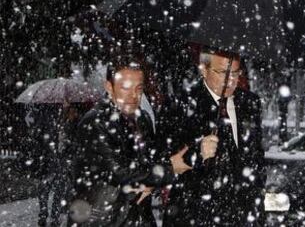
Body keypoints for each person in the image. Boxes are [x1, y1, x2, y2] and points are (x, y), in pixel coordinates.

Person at [68, 58, 186, 226]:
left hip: (137, 214)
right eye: (125, 88)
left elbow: (149, 159)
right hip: (102, 217)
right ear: (109, 87)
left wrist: (152, 179)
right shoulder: (95, 121)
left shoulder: (142, 118)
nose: (133, 96)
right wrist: (168, 169)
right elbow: (119, 170)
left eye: (138, 89)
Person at [161, 49, 266, 226]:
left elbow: (256, 157)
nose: (230, 80)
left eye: (235, 72)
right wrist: (197, 152)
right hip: (197, 214)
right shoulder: (181, 104)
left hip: (243, 215)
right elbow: (166, 158)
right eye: (223, 72)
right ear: (204, 69)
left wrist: (256, 203)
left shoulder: (250, 103)